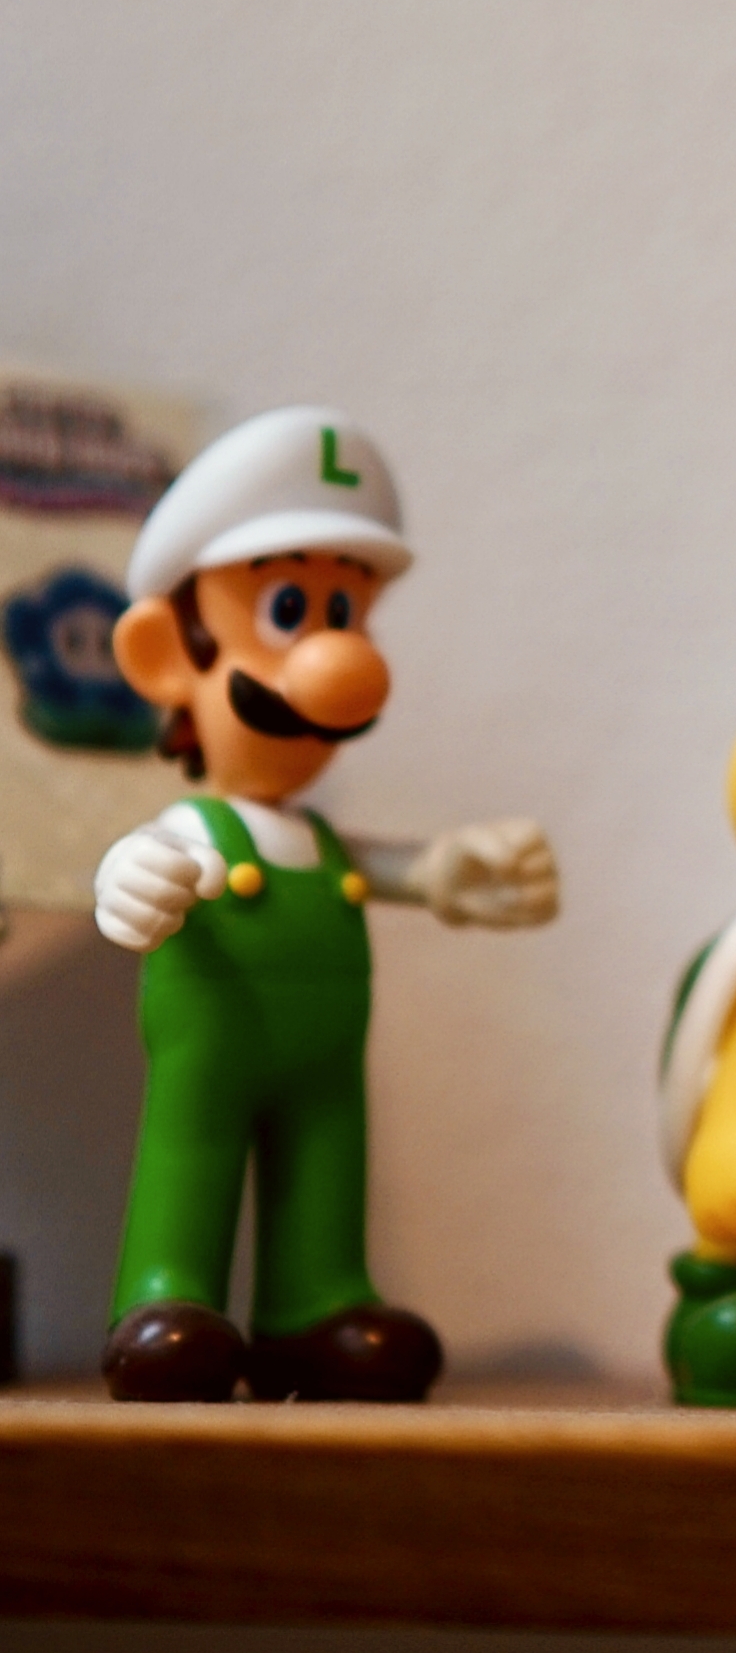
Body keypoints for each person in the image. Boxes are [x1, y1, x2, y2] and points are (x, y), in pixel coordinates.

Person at [90, 406, 557, 1401]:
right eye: (288, 609)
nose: (335, 661)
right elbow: (146, 856)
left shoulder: (326, 842)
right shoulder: (195, 831)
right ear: (169, 656)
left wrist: (446, 872)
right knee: (192, 1148)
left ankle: (315, 1305)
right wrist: (130, 877)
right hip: (212, 1043)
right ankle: (166, 1295)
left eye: (343, 614)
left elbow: (394, 871)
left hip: (326, 1060)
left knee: (326, 1154)